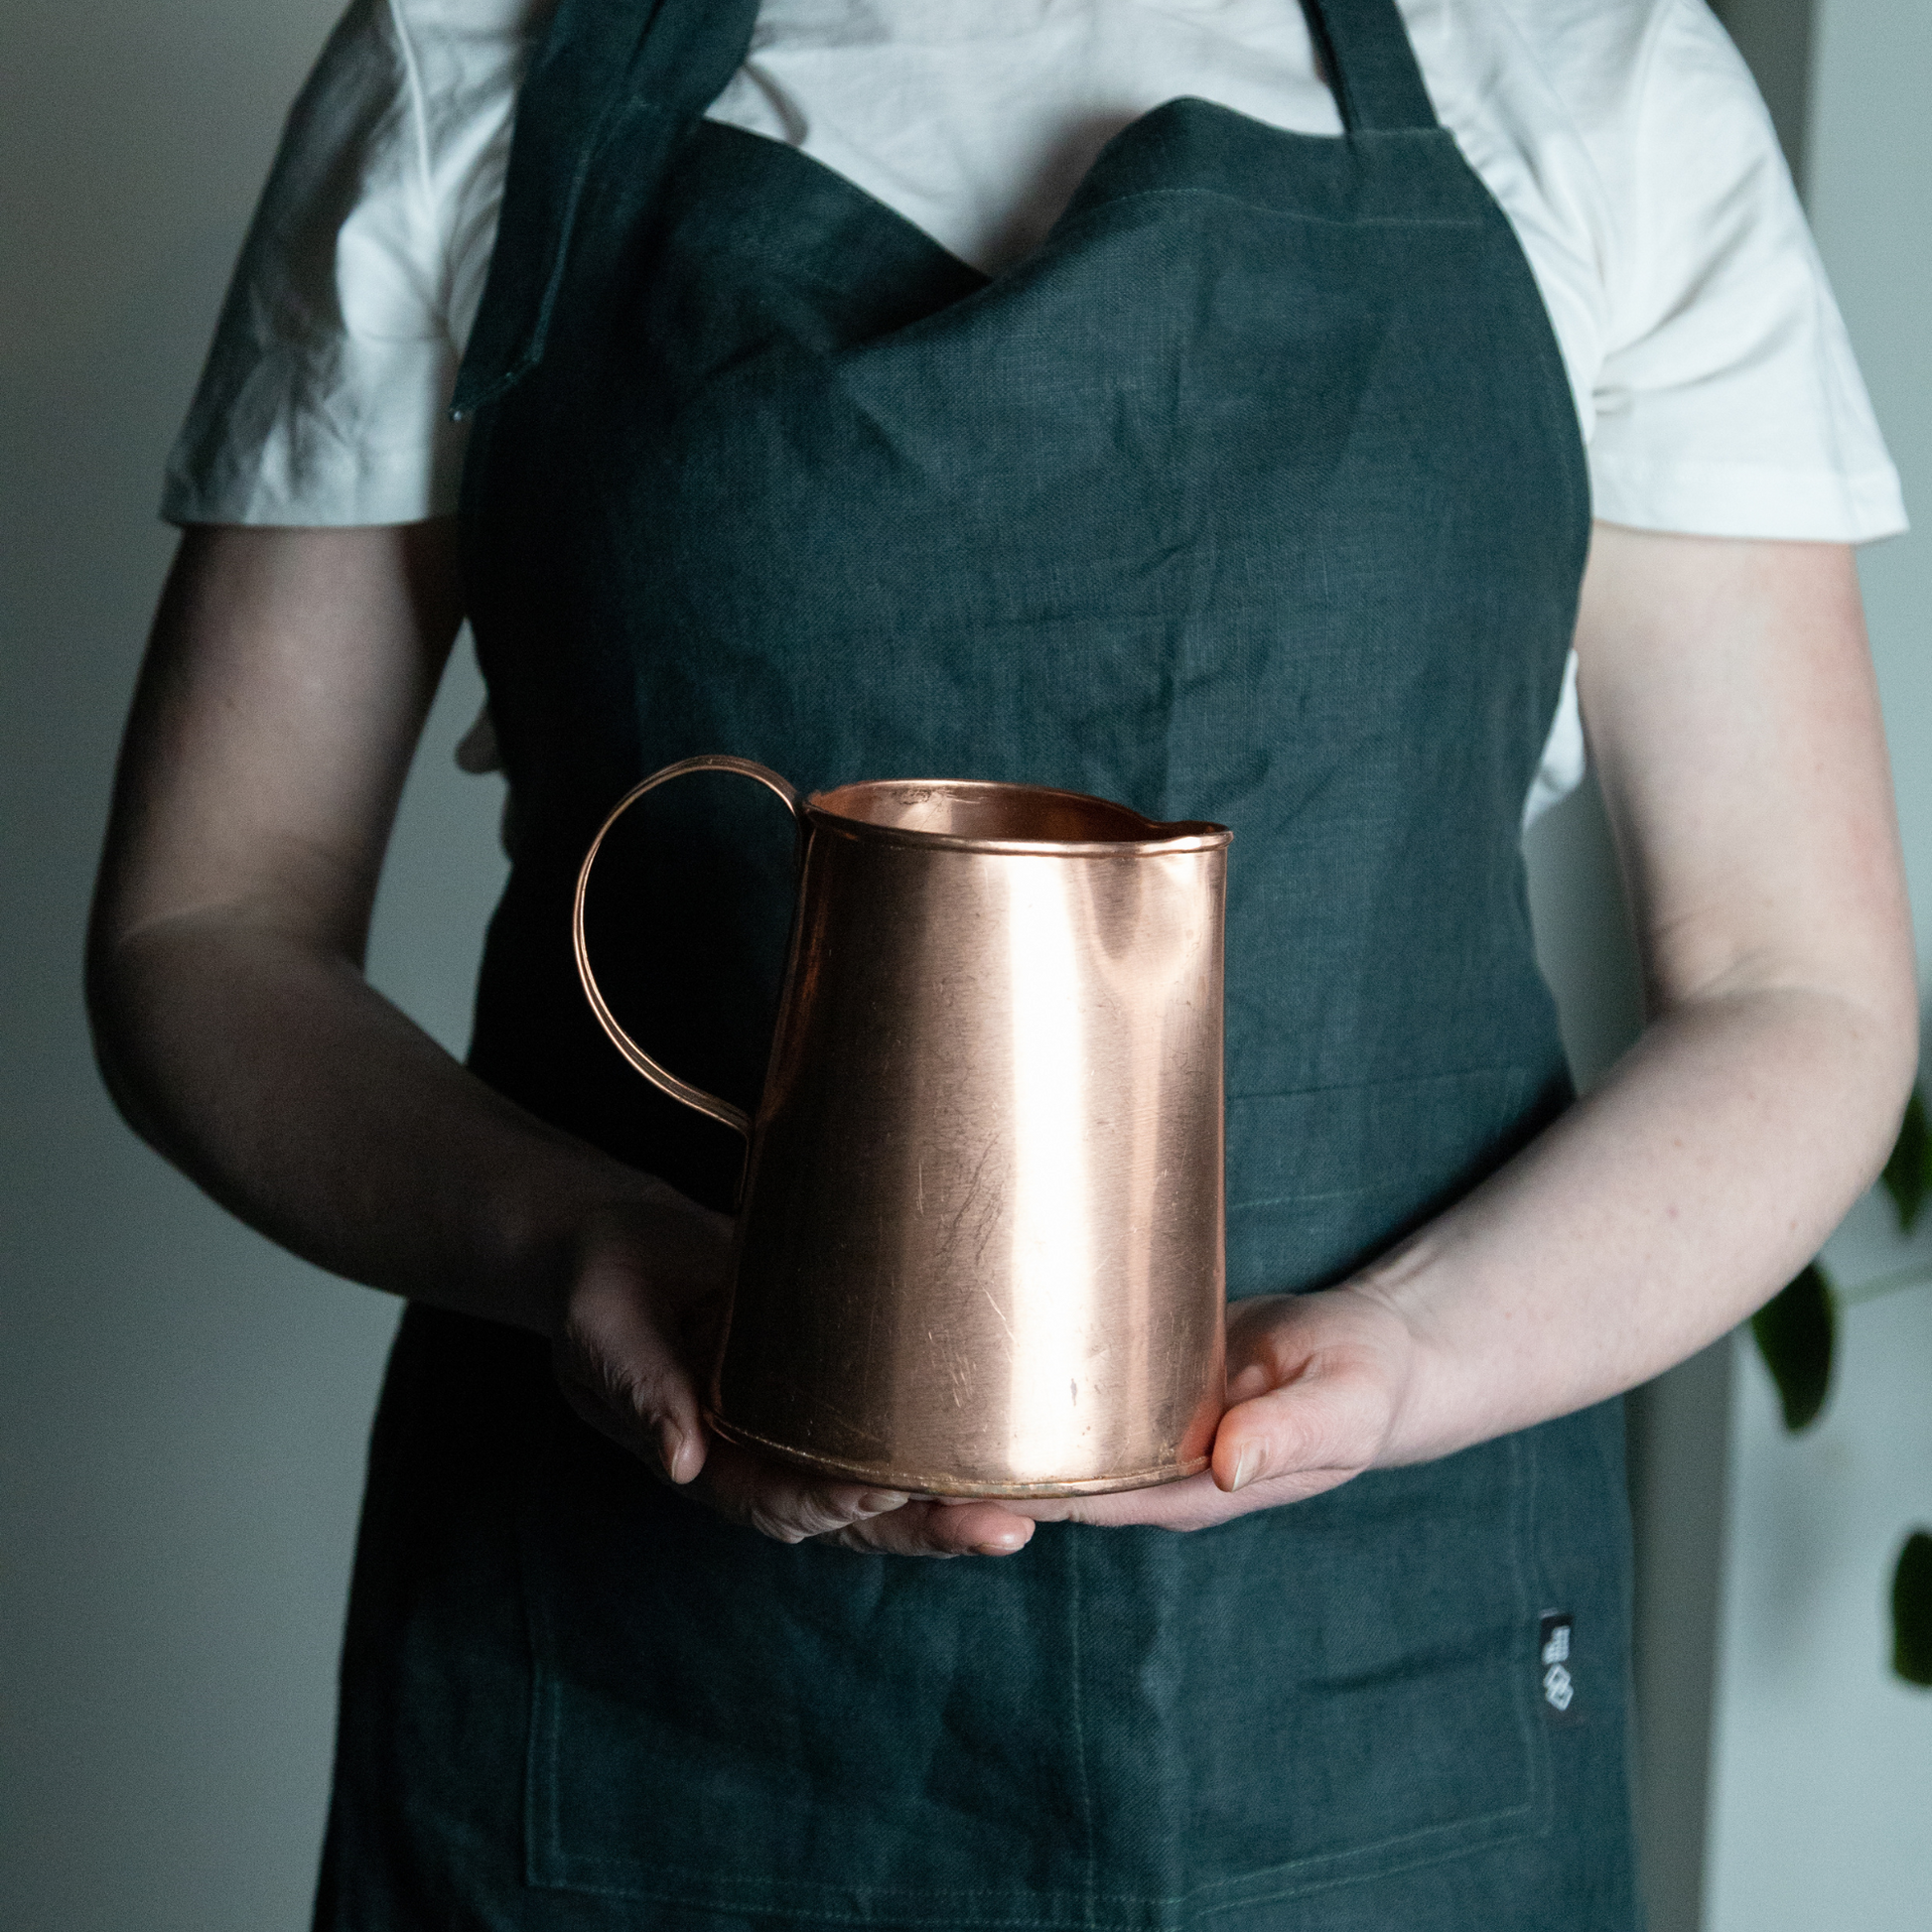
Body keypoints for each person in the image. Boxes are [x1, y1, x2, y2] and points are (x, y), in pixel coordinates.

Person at [89, 0, 1916, 1925]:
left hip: (1369, 1694)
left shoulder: (1589, 75)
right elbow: (207, 925)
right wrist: (575, 1243)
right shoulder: (476, 57)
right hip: (635, 1703)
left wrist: (1418, 1350)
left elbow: (1792, 988)